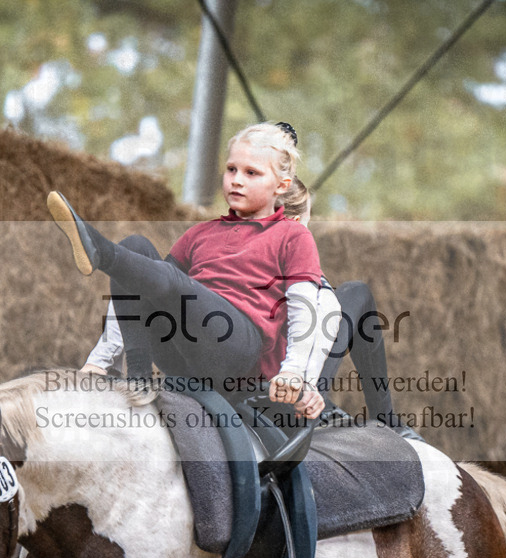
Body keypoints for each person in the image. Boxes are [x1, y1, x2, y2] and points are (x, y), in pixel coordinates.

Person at [50, 122, 332, 419]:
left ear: (281, 186)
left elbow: (304, 308)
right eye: (231, 169)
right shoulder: (201, 233)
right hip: (181, 352)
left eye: (252, 173)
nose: (237, 180)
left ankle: (101, 251)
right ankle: (138, 377)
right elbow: (145, 280)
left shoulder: (293, 235)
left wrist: (293, 371)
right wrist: (99, 361)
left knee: (165, 276)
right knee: (135, 249)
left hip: (235, 353)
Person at [277, 179, 425, 442]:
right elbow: (317, 323)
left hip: (248, 381)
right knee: (357, 293)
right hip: (293, 391)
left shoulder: (229, 246)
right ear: (298, 221)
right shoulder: (297, 246)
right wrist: (309, 388)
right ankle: (386, 419)